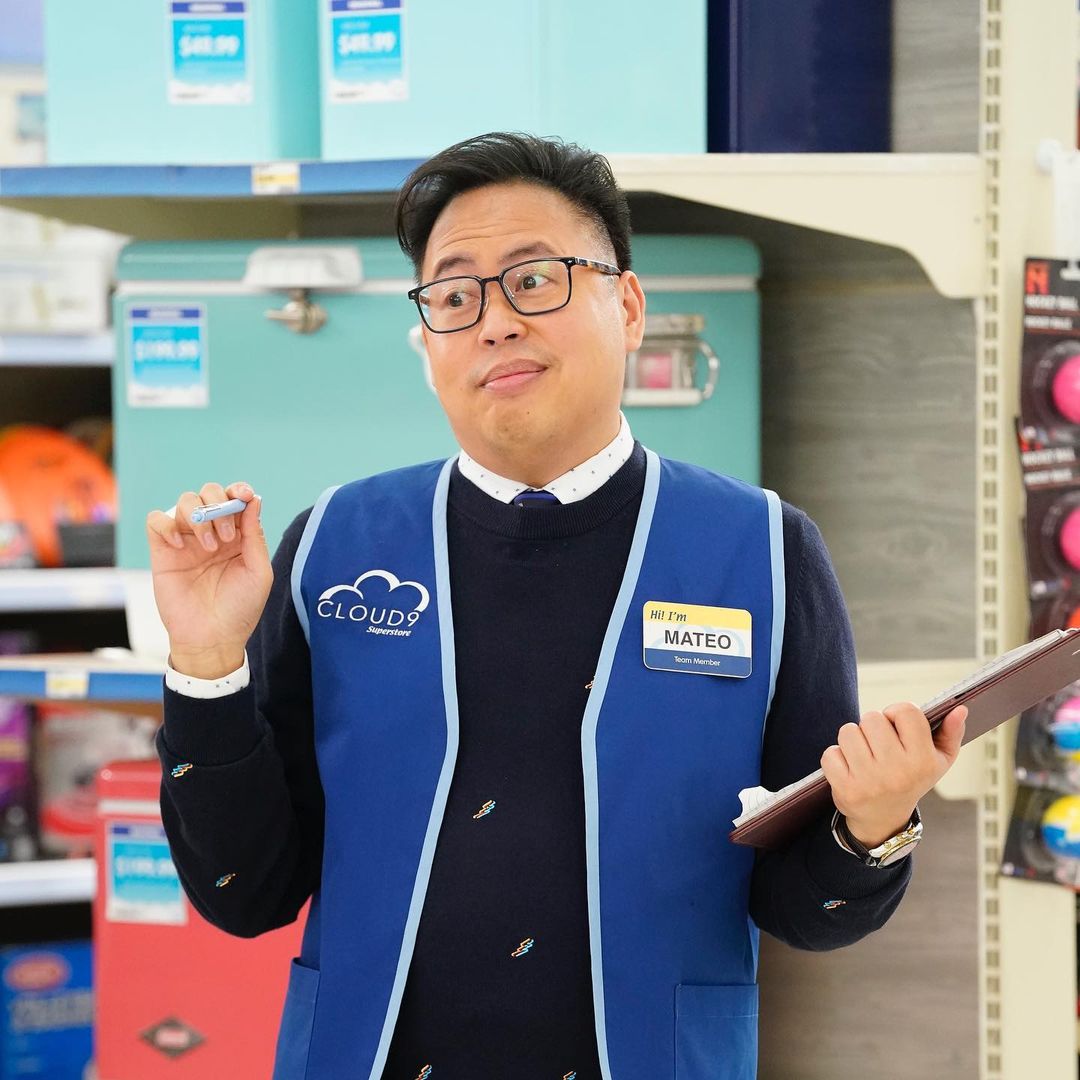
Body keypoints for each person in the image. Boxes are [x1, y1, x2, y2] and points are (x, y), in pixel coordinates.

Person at [146, 132, 967, 1080]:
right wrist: (207, 664)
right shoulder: (334, 546)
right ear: (426, 344)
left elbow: (802, 913)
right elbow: (245, 892)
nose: (494, 322)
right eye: (454, 296)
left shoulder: (763, 553)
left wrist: (873, 827)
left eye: (533, 278)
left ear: (626, 304)